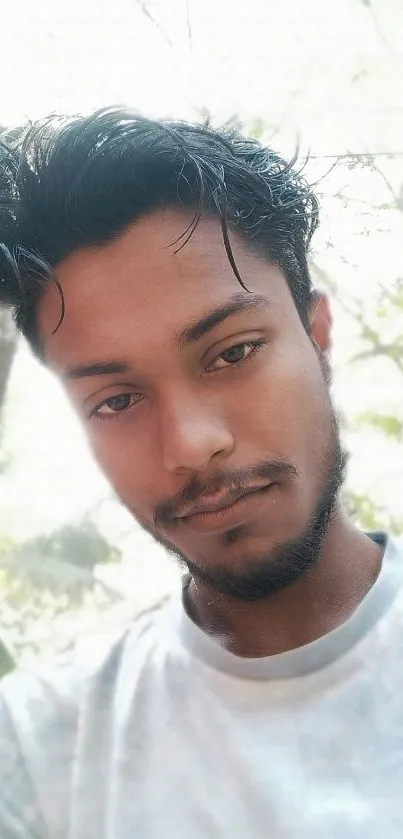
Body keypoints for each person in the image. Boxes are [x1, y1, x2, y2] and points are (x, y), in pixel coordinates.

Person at [0, 109, 402, 839]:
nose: (190, 445)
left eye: (232, 352)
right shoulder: (35, 749)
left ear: (316, 334)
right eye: (115, 399)